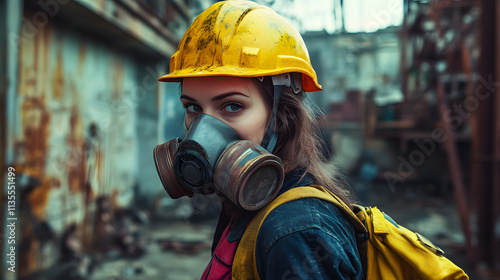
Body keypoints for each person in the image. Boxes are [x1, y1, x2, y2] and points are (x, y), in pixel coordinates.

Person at [153, 1, 363, 279]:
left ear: (280, 116)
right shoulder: (246, 205)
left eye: (232, 106)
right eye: (193, 108)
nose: (201, 132)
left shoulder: (296, 234)